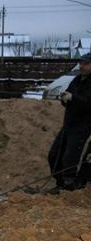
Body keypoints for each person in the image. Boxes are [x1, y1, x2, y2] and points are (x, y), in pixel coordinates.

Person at [48, 52, 91, 192]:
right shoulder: (77, 80)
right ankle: (60, 184)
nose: (82, 66)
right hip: (68, 124)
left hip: (82, 126)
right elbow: (69, 97)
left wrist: (73, 98)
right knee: (54, 155)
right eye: (81, 63)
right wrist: (64, 98)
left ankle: (70, 188)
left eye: (85, 64)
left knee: (69, 158)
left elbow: (88, 103)